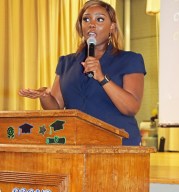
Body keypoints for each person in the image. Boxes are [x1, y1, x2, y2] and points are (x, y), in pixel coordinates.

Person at [19, 0, 146, 146]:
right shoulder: (66, 62)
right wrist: (44, 96)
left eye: (99, 19)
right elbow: (56, 107)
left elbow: (131, 107)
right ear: (81, 27)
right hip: (76, 144)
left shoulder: (129, 59)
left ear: (112, 27)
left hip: (119, 145)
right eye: (86, 19)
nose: (92, 24)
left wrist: (102, 78)